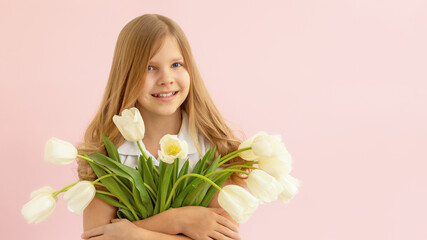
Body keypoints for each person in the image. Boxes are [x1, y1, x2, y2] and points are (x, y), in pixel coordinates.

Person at [77, 14, 249, 240]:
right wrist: (179, 220)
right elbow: (99, 237)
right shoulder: (107, 156)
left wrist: (131, 234)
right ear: (127, 75)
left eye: (176, 64)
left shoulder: (215, 149)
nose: (166, 78)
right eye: (150, 67)